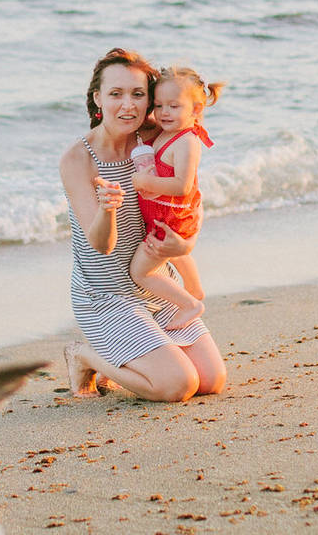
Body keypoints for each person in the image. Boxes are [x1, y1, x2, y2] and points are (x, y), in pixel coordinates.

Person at [58, 48, 228, 402]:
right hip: (105, 295)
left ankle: (145, 351)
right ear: (97, 99)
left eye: (138, 95)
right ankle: (86, 356)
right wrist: (107, 210)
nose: (128, 105)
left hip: (155, 283)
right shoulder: (79, 159)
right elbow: (100, 245)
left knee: (212, 380)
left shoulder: (152, 137)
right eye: (116, 94)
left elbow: (184, 201)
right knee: (178, 385)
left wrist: (184, 246)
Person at [128, 66, 225, 330]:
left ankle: (190, 304)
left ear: (195, 110)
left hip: (171, 217)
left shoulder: (187, 142)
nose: (164, 112)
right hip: (166, 214)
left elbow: (182, 185)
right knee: (176, 255)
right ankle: (195, 290)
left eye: (173, 106)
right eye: (159, 105)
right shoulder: (167, 133)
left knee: (141, 271)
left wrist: (147, 182)